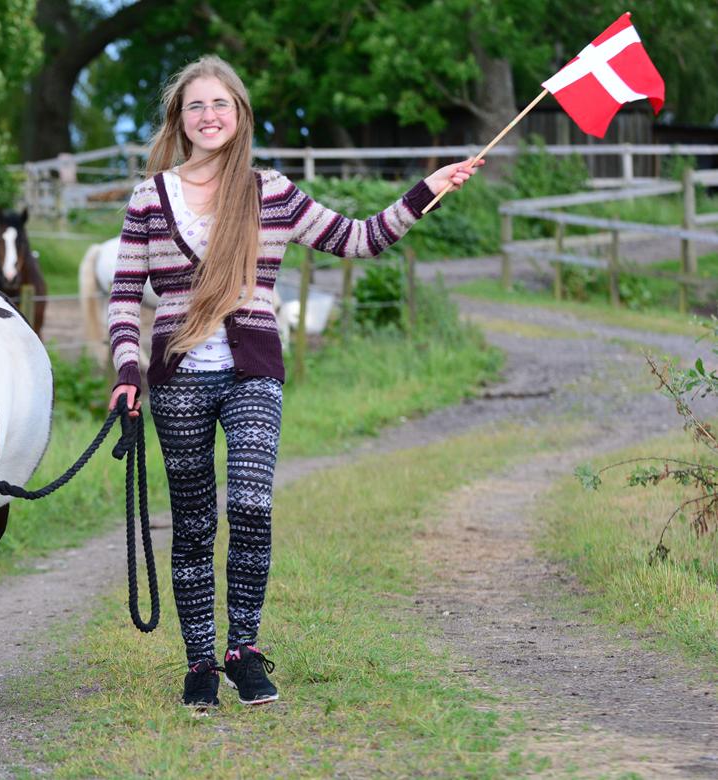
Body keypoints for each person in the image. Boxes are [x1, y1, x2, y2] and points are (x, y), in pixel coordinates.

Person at [105, 54, 481, 709]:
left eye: (221, 104)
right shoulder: (148, 198)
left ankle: (243, 650)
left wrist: (429, 188)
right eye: (196, 106)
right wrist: (127, 372)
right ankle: (199, 663)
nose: (209, 115)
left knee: (251, 506)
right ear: (180, 119)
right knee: (193, 524)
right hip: (177, 380)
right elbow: (123, 296)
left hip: (252, 372)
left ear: (240, 114)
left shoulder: (270, 192)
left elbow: (360, 239)